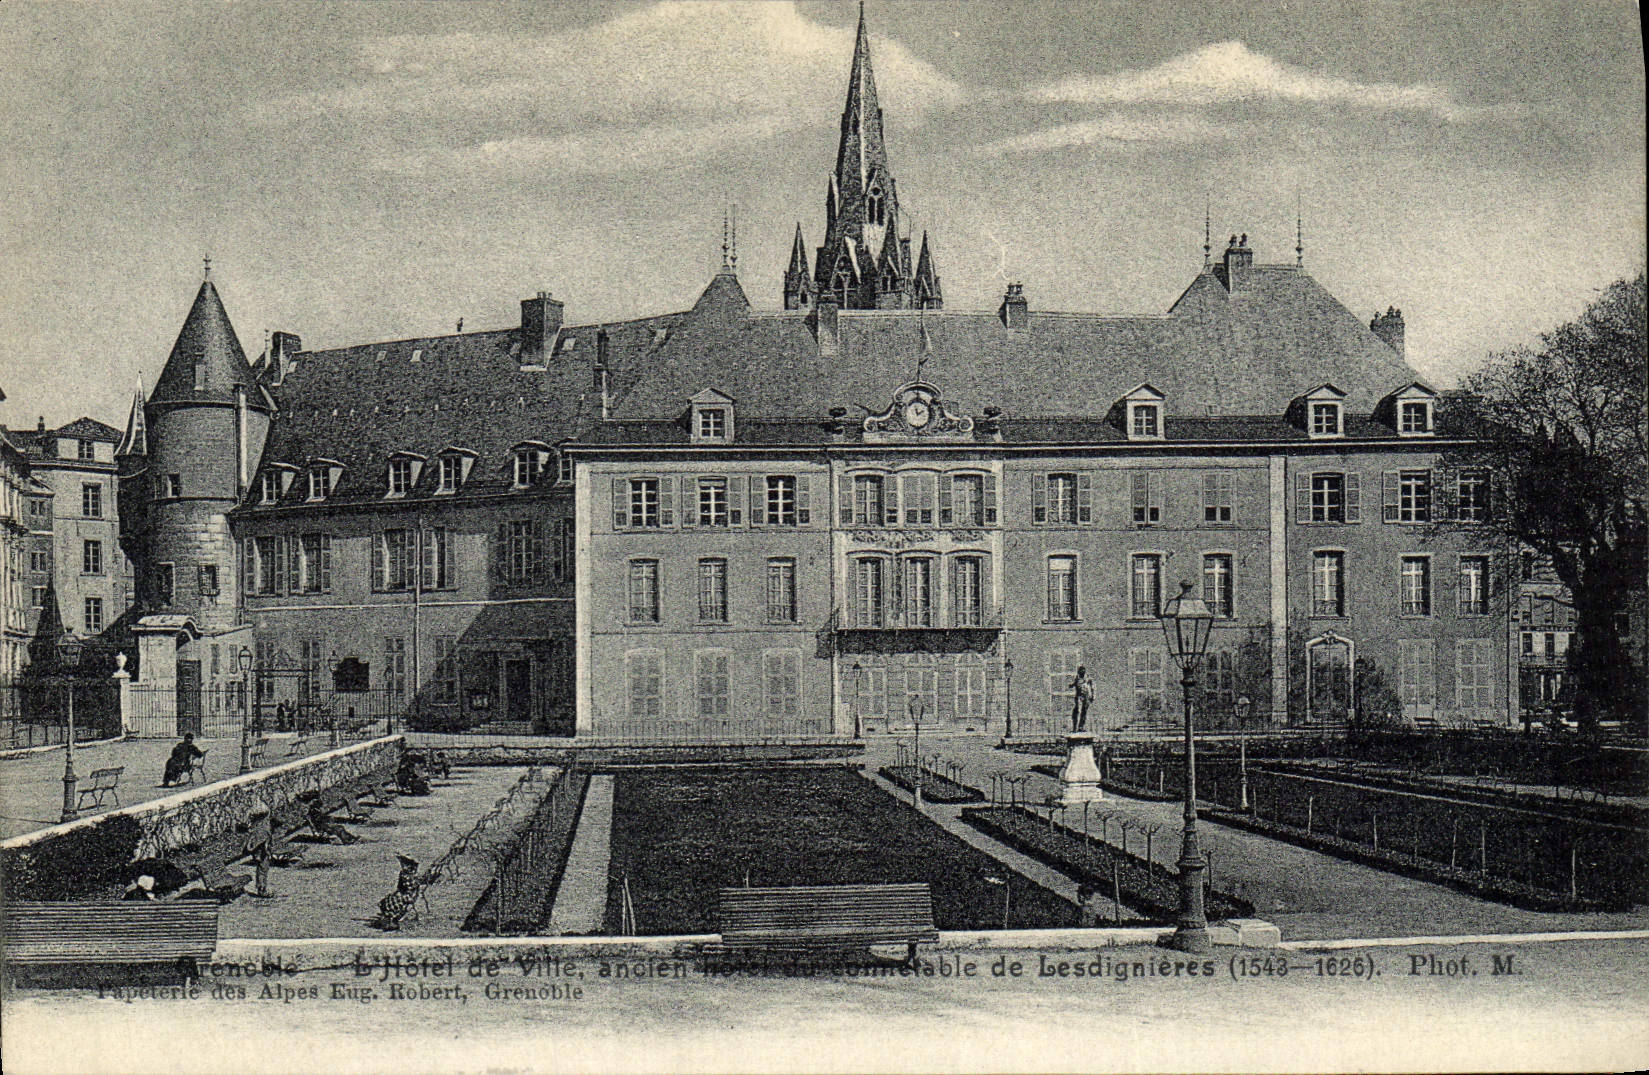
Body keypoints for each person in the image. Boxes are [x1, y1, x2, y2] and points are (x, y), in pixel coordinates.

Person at [374, 854, 421, 931]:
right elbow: (400, 886)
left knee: (394, 903)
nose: (403, 866)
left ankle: (392, 921)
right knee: (386, 901)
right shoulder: (404, 873)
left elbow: (411, 888)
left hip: (408, 895)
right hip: (403, 893)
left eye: (405, 864)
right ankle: (390, 920)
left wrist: (406, 895)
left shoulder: (410, 875)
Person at [245, 802, 274, 898]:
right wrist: (267, 852)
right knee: (262, 871)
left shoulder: (259, 827)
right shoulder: (262, 829)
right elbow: (262, 843)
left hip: (260, 854)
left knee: (262, 871)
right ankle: (261, 889)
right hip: (262, 854)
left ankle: (261, 888)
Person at [1071, 666, 1095, 733]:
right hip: (1079, 696)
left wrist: (1093, 696)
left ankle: (1081, 727)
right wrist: (1071, 685)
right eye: (1080, 671)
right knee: (1077, 711)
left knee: (1084, 712)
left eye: (1083, 670)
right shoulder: (1077, 678)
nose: (1081, 672)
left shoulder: (1088, 678)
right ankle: (1075, 727)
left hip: (1086, 696)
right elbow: (1075, 684)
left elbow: (1092, 687)